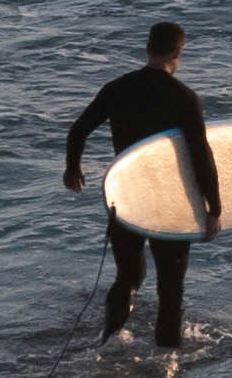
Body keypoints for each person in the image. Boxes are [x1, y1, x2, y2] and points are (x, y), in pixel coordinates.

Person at [62, 19, 218, 349]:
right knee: (170, 288)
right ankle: (168, 363)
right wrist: (213, 208)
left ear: (147, 48)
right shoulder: (184, 98)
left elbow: (78, 130)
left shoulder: (117, 88)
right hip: (169, 201)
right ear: (179, 51)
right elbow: (201, 157)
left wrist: (72, 168)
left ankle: (110, 342)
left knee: (128, 277)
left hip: (128, 196)